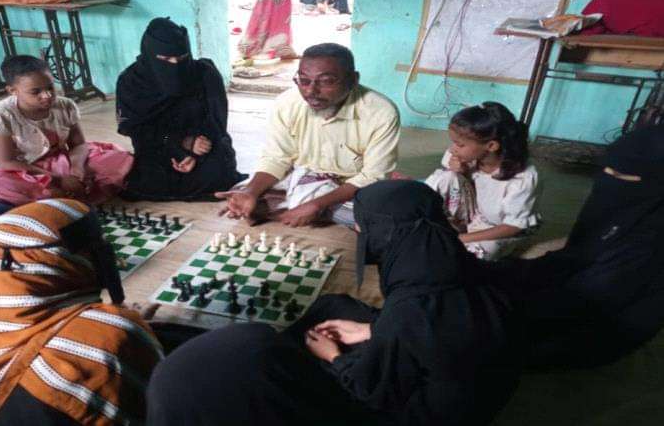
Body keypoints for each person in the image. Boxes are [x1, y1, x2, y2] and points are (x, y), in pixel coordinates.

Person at [146, 181, 522, 426]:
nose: (359, 231)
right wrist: (374, 329)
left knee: (299, 359)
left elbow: (376, 392)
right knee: (334, 306)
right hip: (459, 375)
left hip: (417, 414)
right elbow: (431, 331)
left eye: (365, 226)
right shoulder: (457, 267)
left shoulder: (412, 305)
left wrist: (334, 357)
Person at [0, 198, 164, 425]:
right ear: (64, 258)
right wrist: (125, 325)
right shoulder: (112, 333)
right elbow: (161, 407)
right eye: (94, 246)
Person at [497, 124, 664, 367]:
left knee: (489, 343)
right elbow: (574, 256)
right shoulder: (621, 213)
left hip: (604, 327)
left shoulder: (649, 241)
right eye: (606, 170)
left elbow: (586, 299)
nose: (609, 178)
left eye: (622, 176)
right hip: (583, 291)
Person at [217, 43, 400, 228]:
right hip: (301, 176)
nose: (310, 91)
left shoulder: (381, 112)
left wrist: (316, 204)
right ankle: (310, 209)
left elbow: (373, 175)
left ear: (353, 79)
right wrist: (250, 192)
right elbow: (276, 158)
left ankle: (310, 209)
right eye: (304, 80)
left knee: (382, 214)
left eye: (326, 81)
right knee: (243, 194)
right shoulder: (287, 103)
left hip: (349, 184)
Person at [0, 55, 133, 206]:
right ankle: (58, 195)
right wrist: (57, 179)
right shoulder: (0, 115)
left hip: (58, 160)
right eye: (35, 92)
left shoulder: (65, 105)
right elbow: (7, 162)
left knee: (119, 158)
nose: (47, 95)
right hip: (21, 170)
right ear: (12, 91)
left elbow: (79, 145)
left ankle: (58, 196)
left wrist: (77, 169)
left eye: (50, 87)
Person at [117, 17, 245, 201]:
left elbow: (216, 124)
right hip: (159, 147)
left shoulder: (204, 74)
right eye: (165, 59)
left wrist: (194, 150)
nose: (175, 65)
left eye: (181, 57)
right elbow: (137, 130)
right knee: (149, 178)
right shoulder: (132, 82)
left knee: (217, 170)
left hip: (203, 146)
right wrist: (179, 144)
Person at [424, 102, 541, 260]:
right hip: (475, 214)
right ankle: (425, 224)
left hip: (500, 228)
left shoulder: (523, 178)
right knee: (445, 177)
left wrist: (461, 238)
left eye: (459, 144)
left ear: (491, 146)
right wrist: (463, 172)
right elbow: (471, 188)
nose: (452, 149)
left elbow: (513, 226)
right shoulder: (467, 156)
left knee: (473, 254)